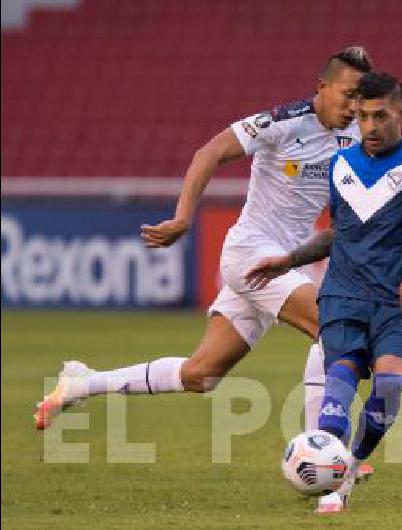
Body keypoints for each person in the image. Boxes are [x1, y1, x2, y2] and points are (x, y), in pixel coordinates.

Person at [35, 47, 373, 451]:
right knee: (333, 328)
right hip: (251, 253)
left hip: (282, 264)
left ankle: (79, 385)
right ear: (323, 86)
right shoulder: (281, 123)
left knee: (201, 375)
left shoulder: (354, 138)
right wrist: (182, 217)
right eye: (348, 94)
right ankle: (327, 446)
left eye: (360, 98)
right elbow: (209, 153)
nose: (354, 106)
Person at [246, 72, 402, 513]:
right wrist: (289, 260)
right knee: (339, 381)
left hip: (394, 302)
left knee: (389, 384)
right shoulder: (342, 165)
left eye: (380, 116)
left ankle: (351, 468)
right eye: (362, 117)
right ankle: (330, 484)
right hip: (342, 295)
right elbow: (337, 234)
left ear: (401, 113)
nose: (370, 126)